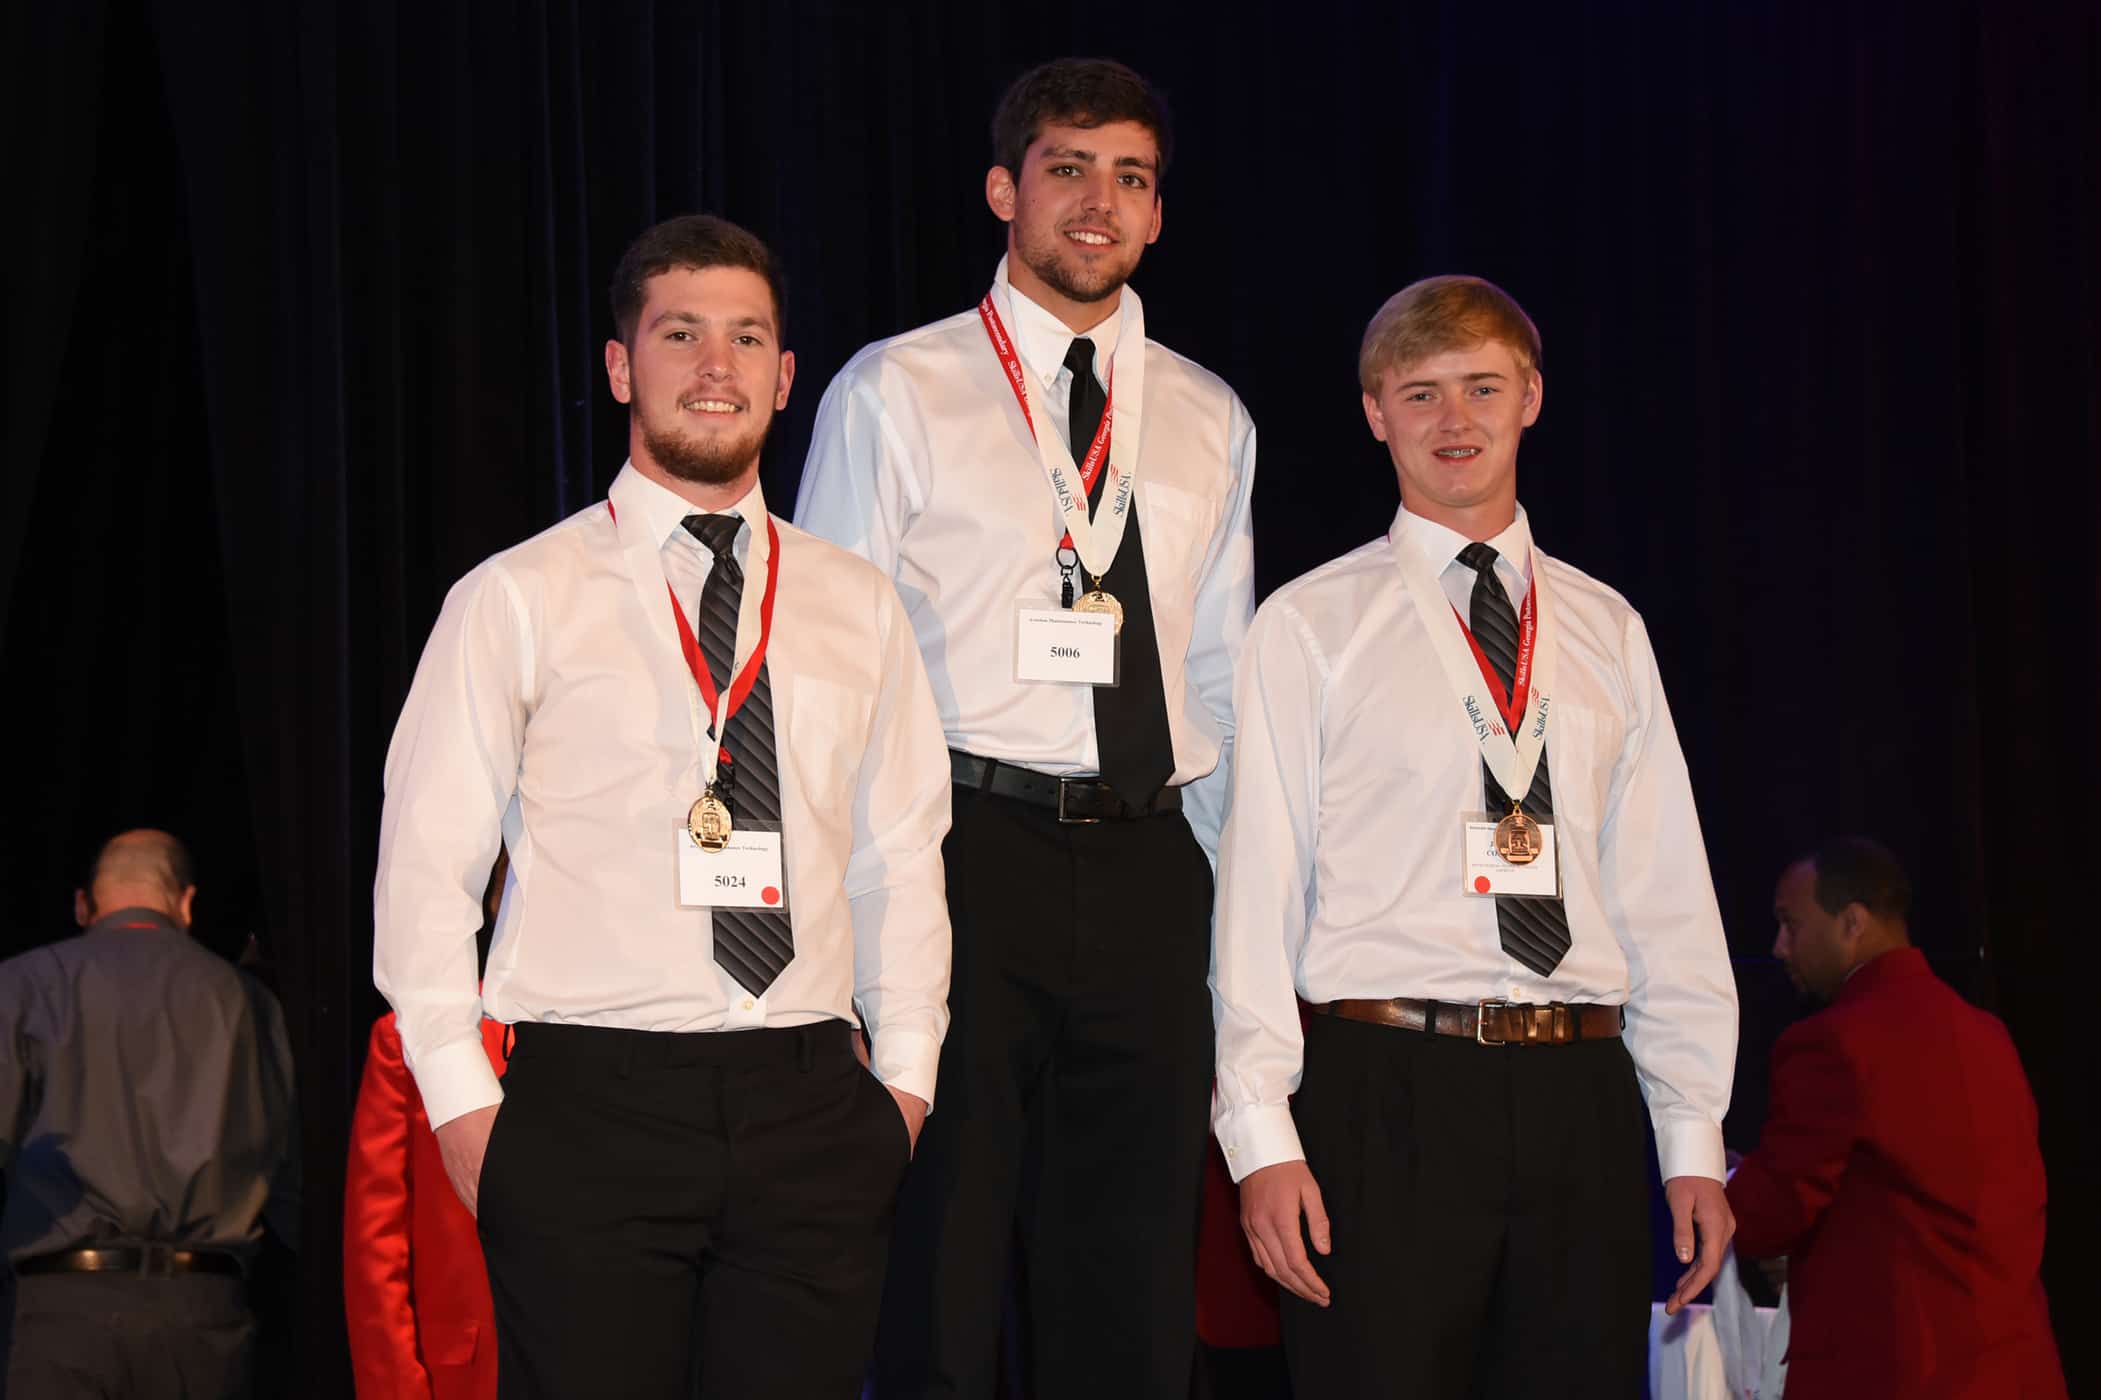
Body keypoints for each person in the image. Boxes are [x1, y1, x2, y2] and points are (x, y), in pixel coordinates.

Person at [373, 213, 954, 1399]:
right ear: (619, 365)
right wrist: (462, 1109)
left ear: (785, 377)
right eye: (679, 331)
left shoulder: (857, 603)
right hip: (588, 1109)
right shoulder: (517, 596)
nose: (714, 365)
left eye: (747, 337)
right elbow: (426, 869)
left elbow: (902, 852)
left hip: (811, 1105)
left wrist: (902, 1087)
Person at [795, 56, 1257, 1399]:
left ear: (1159, 212)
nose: (1097, 202)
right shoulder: (896, 391)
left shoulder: (1209, 416)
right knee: (939, 1261)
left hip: (1150, 863)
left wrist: (1222, 901)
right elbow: (831, 675)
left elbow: (1215, 682)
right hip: (962, 855)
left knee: (1127, 1271)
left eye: (1130, 177)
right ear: (1005, 191)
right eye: (1067, 168)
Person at [1211, 276, 1739, 1396]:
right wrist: (1259, 1133)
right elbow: (1255, 890)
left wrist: (1690, 1134)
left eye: (1482, 388)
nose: (1454, 421)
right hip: (1386, 1087)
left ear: (1531, 398)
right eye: (1421, 392)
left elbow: (1665, 890)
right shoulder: (1309, 624)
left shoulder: (1605, 625)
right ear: (1374, 412)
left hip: (1581, 1090)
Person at [1729, 838, 2066, 1398]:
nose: (1780, 947)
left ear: (1852, 922)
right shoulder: (1989, 1035)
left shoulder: (1834, 1042)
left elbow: (1770, 1214)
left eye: (1791, 924)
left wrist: (1719, 1182)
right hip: (2016, 1367)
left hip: (1898, 1370)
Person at [0, 829, 298, 1397]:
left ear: (82, 906)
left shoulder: (21, 986)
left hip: (60, 1319)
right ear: (186, 904)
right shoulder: (247, 1002)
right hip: (203, 1319)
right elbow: (292, 1177)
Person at [345, 850, 511, 1399]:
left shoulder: (640, 1047)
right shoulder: (408, 1041)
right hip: (464, 1373)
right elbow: (376, 1246)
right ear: (495, 897)